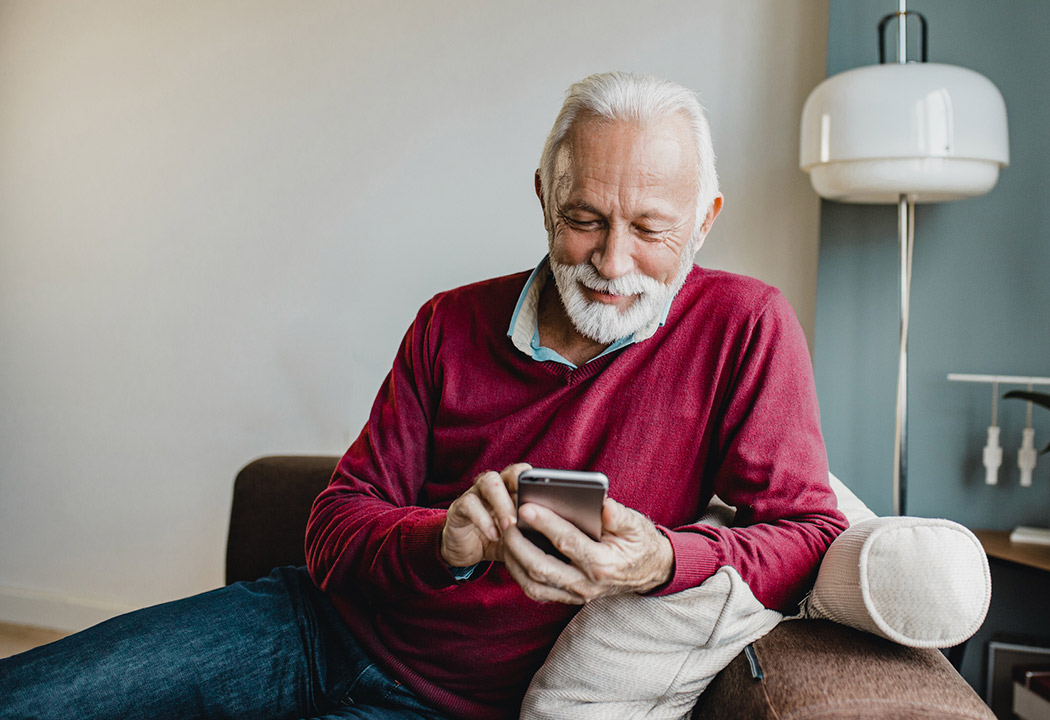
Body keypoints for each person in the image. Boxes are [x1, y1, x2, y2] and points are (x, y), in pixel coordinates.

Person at [0, 71, 847, 720]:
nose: (613, 262)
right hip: (313, 622)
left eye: (653, 230)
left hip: (455, 702)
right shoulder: (450, 322)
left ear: (705, 220)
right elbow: (336, 521)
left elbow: (810, 533)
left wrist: (665, 559)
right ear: (545, 197)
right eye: (585, 217)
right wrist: (441, 539)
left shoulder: (746, 327)